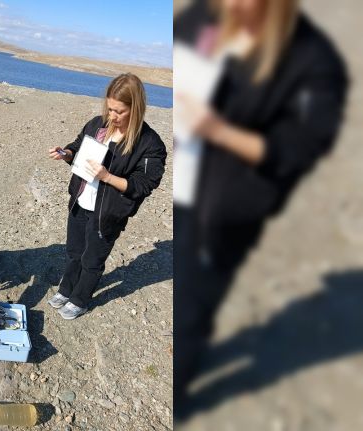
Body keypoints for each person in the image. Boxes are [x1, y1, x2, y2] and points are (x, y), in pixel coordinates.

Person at [173, 0, 348, 418]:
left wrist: (218, 131)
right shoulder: (203, 17)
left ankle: (178, 390)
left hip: (225, 210)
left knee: (193, 307)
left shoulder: (315, 61)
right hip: (179, 187)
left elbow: (300, 149)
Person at [47, 73, 167, 320]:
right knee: (74, 251)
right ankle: (66, 289)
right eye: (110, 109)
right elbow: (78, 145)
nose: (112, 116)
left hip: (108, 213)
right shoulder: (97, 125)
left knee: (92, 259)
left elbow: (144, 185)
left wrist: (107, 177)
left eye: (119, 111)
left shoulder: (150, 144)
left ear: (136, 108)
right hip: (80, 201)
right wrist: (67, 153)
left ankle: (80, 299)